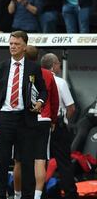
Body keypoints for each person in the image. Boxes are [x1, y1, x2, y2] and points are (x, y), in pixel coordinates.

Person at [0, 31, 47, 199]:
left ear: (24, 46)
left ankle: (27, 196)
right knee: (0, 161)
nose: (12, 47)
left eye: (16, 44)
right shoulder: (0, 67)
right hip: (4, 117)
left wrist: (40, 102)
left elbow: (43, 90)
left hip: (25, 118)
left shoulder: (33, 68)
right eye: (11, 44)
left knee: (27, 162)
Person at [13, 46, 59, 199]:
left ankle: (17, 195)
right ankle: (37, 196)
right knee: (40, 159)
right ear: (38, 57)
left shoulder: (18, 73)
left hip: (23, 120)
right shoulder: (47, 74)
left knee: (18, 160)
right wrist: (53, 120)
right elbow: (54, 100)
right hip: (43, 120)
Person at [41, 53, 78, 199]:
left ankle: (39, 193)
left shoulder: (35, 79)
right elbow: (71, 108)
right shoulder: (60, 82)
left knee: (40, 161)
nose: (59, 66)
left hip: (40, 126)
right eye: (58, 64)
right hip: (57, 125)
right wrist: (65, 122)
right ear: (53, 65)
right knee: (64, 162)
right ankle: (70, 194)